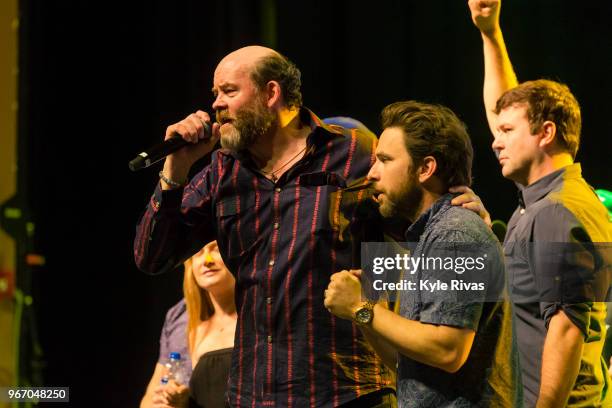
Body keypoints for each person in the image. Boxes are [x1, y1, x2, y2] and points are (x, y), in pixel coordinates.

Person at [135, 46, 396, 407]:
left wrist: (456, 206)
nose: (216, 105)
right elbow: (152, 257)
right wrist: (175, 170)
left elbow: (418, 224)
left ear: (271, 93)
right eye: (215, 95)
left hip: (344, 391)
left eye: (229, 91)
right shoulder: (223, 171)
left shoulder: (354, 152)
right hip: (255, 394)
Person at [324, 100, 521, 407]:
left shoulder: (455, 234)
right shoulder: (429, 236)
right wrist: (366, 312)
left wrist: (362, 307)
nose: (372, 173)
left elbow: (447, 351)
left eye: (385, 160)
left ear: (426, 168)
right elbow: (407, 364)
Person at [468, 1, 612, 406]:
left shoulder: (556, 212)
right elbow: (501, 110)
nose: (495, 139)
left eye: (508, 130)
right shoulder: (546, 202)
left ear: (546, 133)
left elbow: (567, 330)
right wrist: (489, 33)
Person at [141, 241, 236, 408]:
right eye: (198, 253)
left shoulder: (259, 313)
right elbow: (150, 397)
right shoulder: (180, 317)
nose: (207, 260)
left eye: (216, 250)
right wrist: (167, 399)